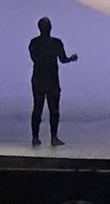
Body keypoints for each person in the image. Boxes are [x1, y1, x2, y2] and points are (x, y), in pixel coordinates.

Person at [28, 17, 78, 147]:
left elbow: (36, 58)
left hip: (40, 80)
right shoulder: (56, 43)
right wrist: (71, 59)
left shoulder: (34, 43)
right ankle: (52, 137)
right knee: (52, 110)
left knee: (39, 109)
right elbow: (62, 59)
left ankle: (36, 137)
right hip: (51, 80)